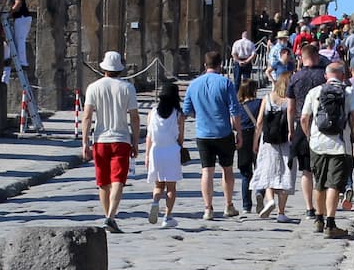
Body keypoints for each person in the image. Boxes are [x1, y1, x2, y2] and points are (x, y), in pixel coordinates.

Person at [299, 59, 354, 241]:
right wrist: (351, 130)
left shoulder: (315, 92)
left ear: (326, 76)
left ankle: (318, 219)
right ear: (343, 76)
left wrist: (309, 136)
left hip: (317, 144)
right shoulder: (349, 91)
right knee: (334, 185)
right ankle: (330, 223)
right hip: (340, 144)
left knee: (319, 183)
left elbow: (304, 118)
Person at [79, 50, 141, 231]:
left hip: (100, 140)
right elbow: (135, 117)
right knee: (118, 180)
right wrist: (135, 141)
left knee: (103, 182)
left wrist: (85, 142)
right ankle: (110, 217)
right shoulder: (127, 88)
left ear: (104, 68)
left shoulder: (93, 87)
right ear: (120, 69)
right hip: (121, 139)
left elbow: (87, 117)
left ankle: (108, 217)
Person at [184, 50, 241, 222]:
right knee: (227, 169)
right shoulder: (225, 83)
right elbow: (234, 110)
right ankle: (228, 204)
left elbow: (186, 110)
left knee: (206, 172)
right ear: (220, 65)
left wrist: (200, 114)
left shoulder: (193, 84)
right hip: (223, 132)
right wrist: (238, 131)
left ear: (204, 65)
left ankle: (208, 208)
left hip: (203, 133)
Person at [285, 43, 328, 226]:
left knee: (306, 170)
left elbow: (290, 107)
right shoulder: (324, 76)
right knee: (323, 169)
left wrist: (290, 129)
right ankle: (323, 208)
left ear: (301, 58)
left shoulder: (295, 77)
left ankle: (310, 207)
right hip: (323, 125)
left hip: (303, 124)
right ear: (316, 56)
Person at [250, 72, 298, 219]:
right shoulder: (289, 100)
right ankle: (281, 212)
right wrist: (291, 131)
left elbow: (259, 122)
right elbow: (291, 114)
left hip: (268, 141)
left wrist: (255, 141)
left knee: (268, 172)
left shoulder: (267, 98)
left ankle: (270, 200)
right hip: (285, 141)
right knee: (285, 173)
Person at [145, 80, 186, 227]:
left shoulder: (152, 113)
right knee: (171, 187)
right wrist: (181, 148)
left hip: (156, 151)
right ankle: (167, 216)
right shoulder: (178, 115)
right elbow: (180, 136)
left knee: (158, 185)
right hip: (171, 151)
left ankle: (155, 202)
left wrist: (147, 155)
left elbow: (149, 136)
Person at [3, 0, 40, 132]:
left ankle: (22, 61)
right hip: (22, 19)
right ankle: (20, 60)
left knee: (19, 40)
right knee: (18, 41)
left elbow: (17, 3)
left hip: (22, 19)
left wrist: (10, 12)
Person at [234, 77, 260, 215]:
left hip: (243, 136)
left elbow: (233, 124)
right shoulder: (260, 103)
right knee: (260, 169)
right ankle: (260, 194)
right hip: (257, 136)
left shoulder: (237, 106)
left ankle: (246, 205)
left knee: (245, 173)